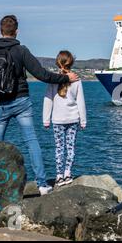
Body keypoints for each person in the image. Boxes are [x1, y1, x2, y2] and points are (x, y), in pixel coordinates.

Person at [0, 15, 79, 195]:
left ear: (0, 30)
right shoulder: (20, 50)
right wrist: (65, 78)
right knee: (31, 142)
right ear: (17, 31)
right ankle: (42, 185)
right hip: (21, 102)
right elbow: (42, 75)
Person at [43, 51, 86, 187]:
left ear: (58, 63)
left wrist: (46, 119)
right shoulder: (77, 80)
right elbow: (81, 102)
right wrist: (83, 120)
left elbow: (48, 100)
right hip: (73, 119)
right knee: (71, 147)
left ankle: (59, 176)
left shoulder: (53, 80)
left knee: (59, 148)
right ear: (71, 63)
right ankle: (68, 173)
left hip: (57, 120)